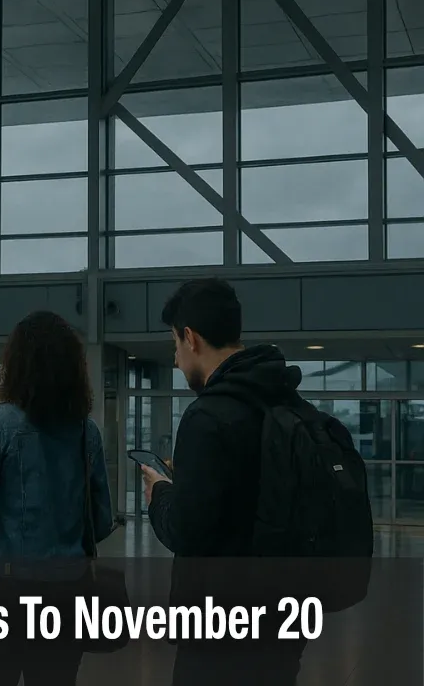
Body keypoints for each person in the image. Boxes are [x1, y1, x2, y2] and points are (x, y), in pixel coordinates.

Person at [141, 279, 311, 686]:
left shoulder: (208, 417)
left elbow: (187, 530)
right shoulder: (286, 399)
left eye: (175, 347)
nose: (177, 361)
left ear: (191, 338)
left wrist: (159, 493)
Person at [0, 310, 113, 686]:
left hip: (3, 592)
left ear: (15, 364)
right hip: (69, 595)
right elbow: (101, 520)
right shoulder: (87, 432)